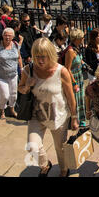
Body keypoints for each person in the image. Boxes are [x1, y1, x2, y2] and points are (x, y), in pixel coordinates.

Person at [19, 38, 78, 177]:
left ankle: (64, 171)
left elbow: (70, 97)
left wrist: (74, 117)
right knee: (32, 146)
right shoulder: (28, 70)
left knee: (61, 148)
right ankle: (45, 165)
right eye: (37, 56)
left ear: (50, 54)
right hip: (36, 115)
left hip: (58, 116)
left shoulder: (61, 71)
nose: (39, 60)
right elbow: (20, 89)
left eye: (43, 57)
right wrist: (27, 85)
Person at [64, 28, 87, 127]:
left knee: (81, 99)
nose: (83, 39)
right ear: (76, 39)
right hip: (74, 78)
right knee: (75, 100)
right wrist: (74, 83)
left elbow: (79, 60)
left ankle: (81, 119)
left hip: (79, 75)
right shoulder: (70, 51)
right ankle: (75, 120)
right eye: (82, 38)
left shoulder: (77, 48)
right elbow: (67, 68)